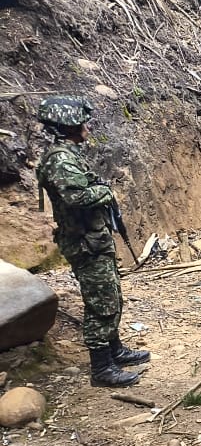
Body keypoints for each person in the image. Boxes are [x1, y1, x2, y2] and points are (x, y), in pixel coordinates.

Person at [36, 95, 150, 387]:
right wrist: (105, 192)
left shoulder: (69, 154)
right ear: (67, 126)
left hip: (94, 239)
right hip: (84, 242)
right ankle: (102, 369)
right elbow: (76, 197)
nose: (87, 126)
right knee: (101, 303)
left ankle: (115, 351)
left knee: (111, 296)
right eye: (81, 122)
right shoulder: (60, 159)